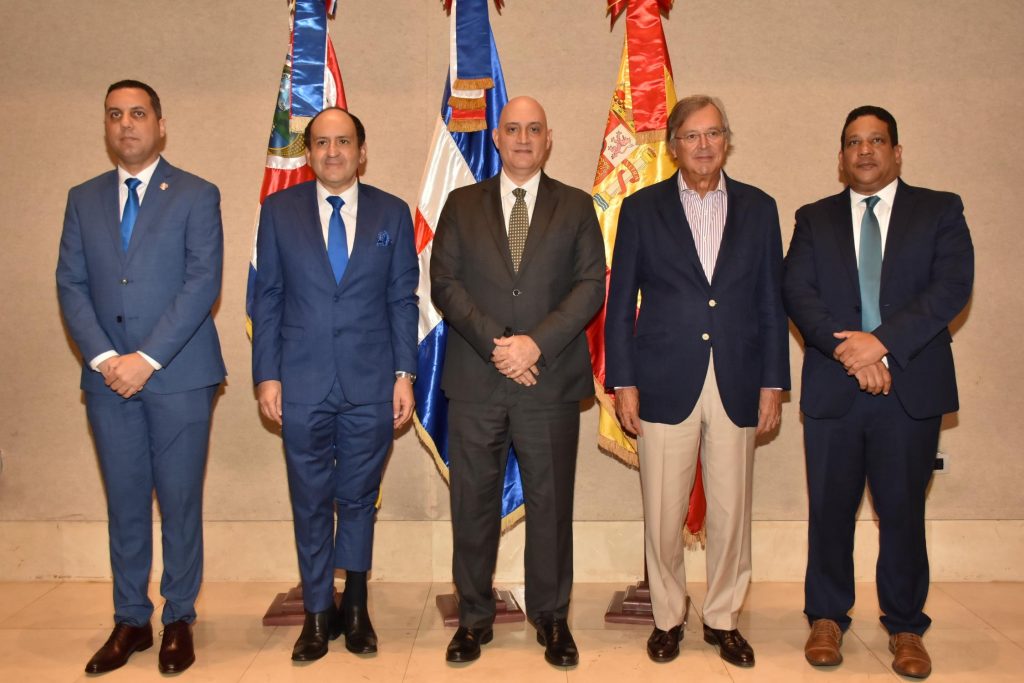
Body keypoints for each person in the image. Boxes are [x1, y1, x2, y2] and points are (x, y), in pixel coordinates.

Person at [784, 106, 973, 679]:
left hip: (909, 388)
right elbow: (798, 290)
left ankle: (907, 625)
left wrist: (883, 345)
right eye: (853, 143)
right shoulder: (813, 218)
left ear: (896, 152)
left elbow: (951, 289)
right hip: (835, 389)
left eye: (876, 141)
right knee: (830, 510)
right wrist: (853, 352)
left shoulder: (940, 210)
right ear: (840, 158)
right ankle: (826, 617)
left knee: (902, 511)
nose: (865, 151)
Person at [604, 95, 789, 668]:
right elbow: (619, 305)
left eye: (714, 134)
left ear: (726, 141)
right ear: (673, 144)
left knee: (732, 511)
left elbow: (770, 303)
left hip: (737, 378)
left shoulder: (760, 209)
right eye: (691, 135)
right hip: (663, 379)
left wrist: (773, 385)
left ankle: (723, 618)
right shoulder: (641, 209)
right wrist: (623, 382)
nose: (704, 145)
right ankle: (667, 616)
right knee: (662, 511)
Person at [56, 80, 225, 675]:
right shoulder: (83, 198)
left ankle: (178, 617)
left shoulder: (198, 194)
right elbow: (70, 286)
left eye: (137, 113)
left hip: (178, 376)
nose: (126, 124)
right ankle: (131, 620)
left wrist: (145, 359)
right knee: (125, 503)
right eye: (114, 115)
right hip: (107, 382)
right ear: (106, 127)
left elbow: (201, 283)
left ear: (160, 124)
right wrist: (105, 359)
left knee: (179, 502)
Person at [430, 96, 604, 666]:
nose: (523, 138)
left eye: (534, 129)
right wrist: (500, 346)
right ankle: (473, 618)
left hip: (548, 382)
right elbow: (445, 283)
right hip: (477, 380)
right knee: (472, 506)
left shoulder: (577, 206)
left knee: (551, 506)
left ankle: (552, 619)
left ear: (548, 139)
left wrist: (535, 344)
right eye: (513, 129)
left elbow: (588, 287)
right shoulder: (461, 203)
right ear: (497, 139)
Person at [250, 107, 418, 662]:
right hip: (300, 382)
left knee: (359, 498)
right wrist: (267, 375)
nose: (332, 152)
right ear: (308, 152)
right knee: (311, 499)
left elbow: (401, 301)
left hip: (372, 383)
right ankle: (319, 612)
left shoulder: (392, 213)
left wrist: (404, 374)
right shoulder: (278, 211)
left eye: (343, 142)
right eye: (320, 143)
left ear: (361, 151)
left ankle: (357, 606)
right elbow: (267, 297)